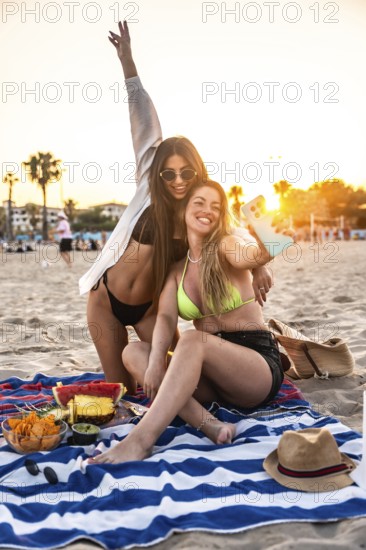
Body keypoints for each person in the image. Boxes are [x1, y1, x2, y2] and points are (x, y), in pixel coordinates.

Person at [80, 22, 273, 395]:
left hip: (152, 309)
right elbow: (142, 119)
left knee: (169, 379)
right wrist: (128, 63)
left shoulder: (198, 208)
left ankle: (253, 374)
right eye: (169, 174)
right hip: (106, 300)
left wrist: (261, 264)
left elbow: (232, 229)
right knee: (120, 392)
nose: (178, 180)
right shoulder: (147, 185)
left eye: (186, 172)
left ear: (196, 171)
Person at [90, 180, 285, 465]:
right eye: (199, 203)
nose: (207, 210)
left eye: (216, 207)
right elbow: (167, 318)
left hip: (254, 366)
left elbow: (250, 255)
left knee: (194, 339)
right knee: (133, 352)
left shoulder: (226, 245)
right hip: (210, 377)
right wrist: (156, 361)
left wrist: (267, 249)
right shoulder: (174, 271)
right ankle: (210, 424)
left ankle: (141, 440)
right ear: (183, 210)